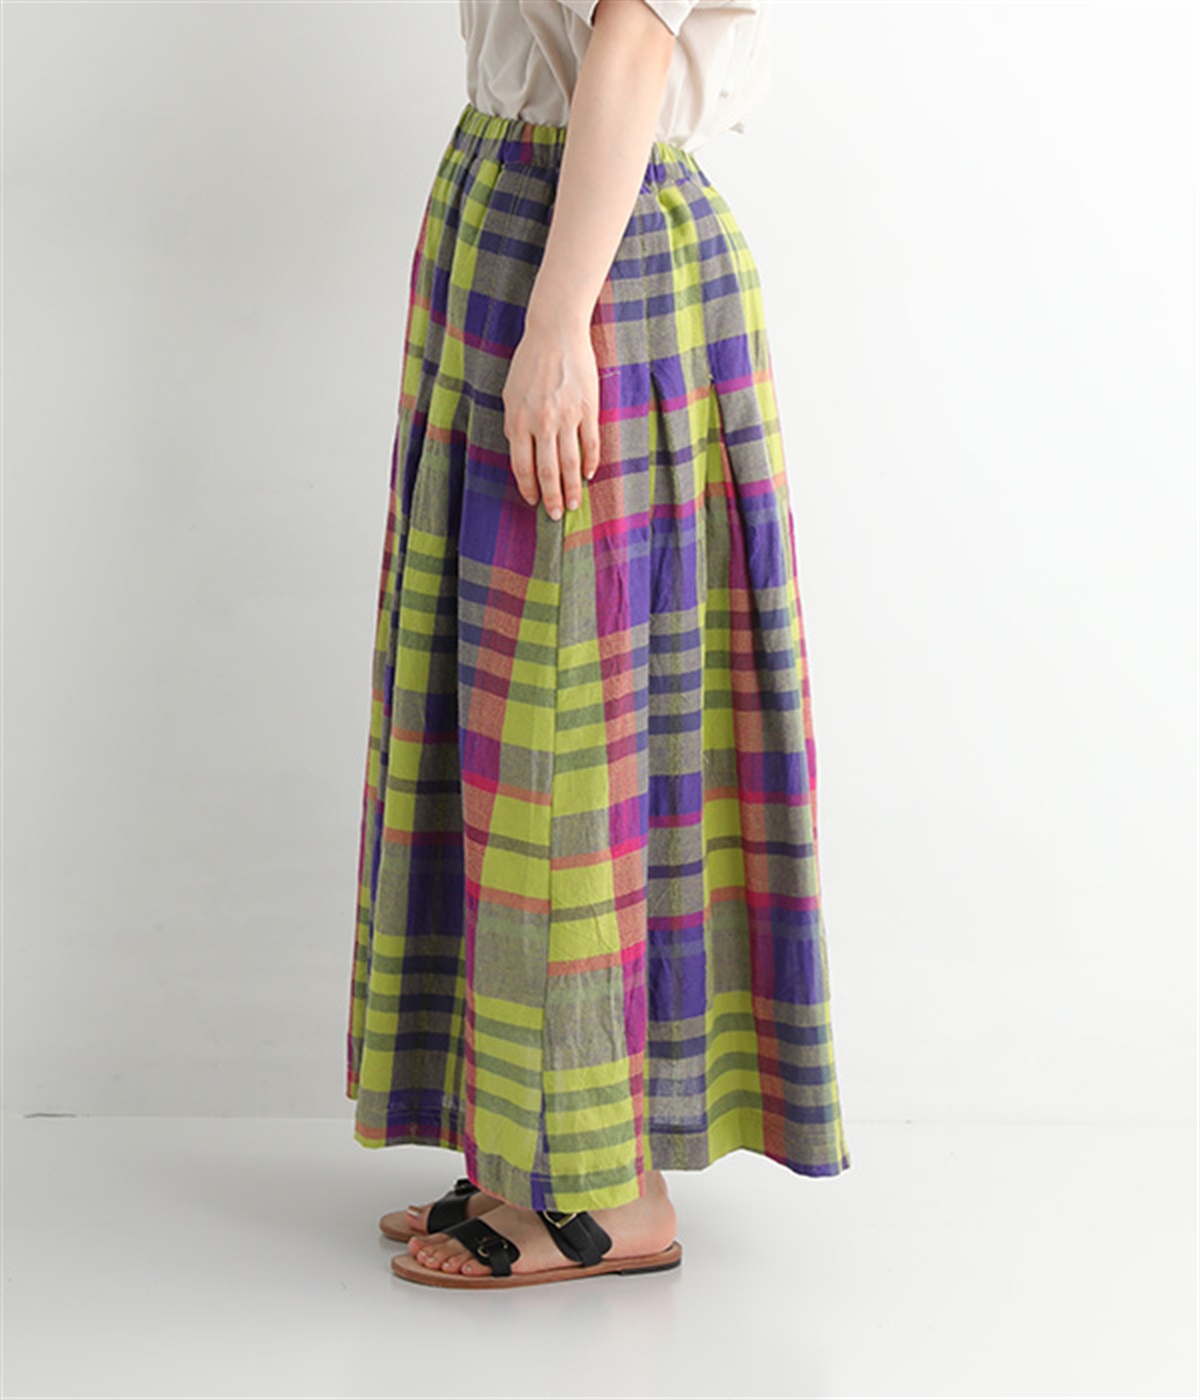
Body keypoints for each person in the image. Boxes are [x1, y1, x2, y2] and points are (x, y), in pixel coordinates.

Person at [345, 0, 851, 1290]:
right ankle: (526, 1146)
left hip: (595, 248)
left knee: (575, 729)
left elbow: (631, 37)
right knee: (504, 719)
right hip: (510, 205)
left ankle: (610, 1188)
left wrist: (561, 321)